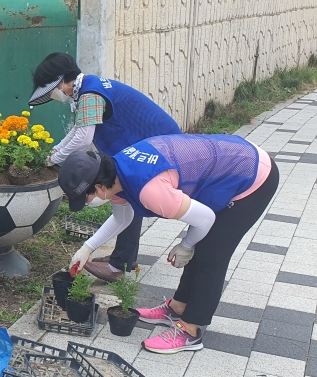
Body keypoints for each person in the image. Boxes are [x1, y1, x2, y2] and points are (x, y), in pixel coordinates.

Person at [59, 134, 278, 353]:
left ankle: (190, 331)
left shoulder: (150, 190)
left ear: (98, 188)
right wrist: (87, 248)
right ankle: (177, 308)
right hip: (233, 159)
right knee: (203, 244)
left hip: (252, 174)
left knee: (211, 254)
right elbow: (121, 218)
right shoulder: (115, 172)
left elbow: (205, 219)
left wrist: (186, 245)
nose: (87, 204)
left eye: (85, 199)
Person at [29, 53, 181, 283]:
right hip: (147, 142)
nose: (53, 95)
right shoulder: (88, 90)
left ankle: (120, 264)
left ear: (61, 82)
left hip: (160, 144)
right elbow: (79, 130)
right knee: (128, 196)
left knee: (129, 194)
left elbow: (83, 137)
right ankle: (124, 259)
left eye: (52, 89)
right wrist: (56, 152)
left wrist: (54, 158)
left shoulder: (91, 93)